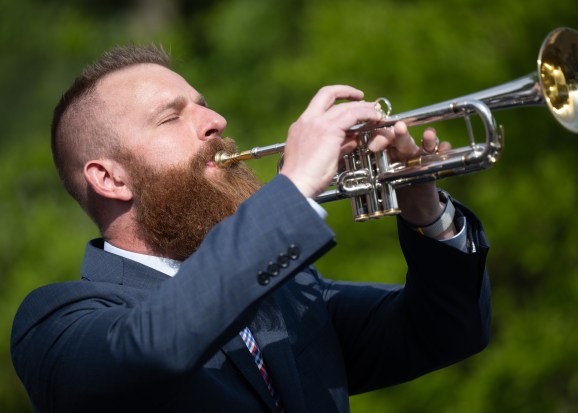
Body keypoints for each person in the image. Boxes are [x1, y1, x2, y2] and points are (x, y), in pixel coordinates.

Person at [11, 44, 491, 413]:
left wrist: (426, 213)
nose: (216, 121)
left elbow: (446, 332)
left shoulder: (288, 295)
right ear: (110, 178)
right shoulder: (55, 324)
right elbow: (156, 345)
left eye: (204, 105)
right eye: (171, 116)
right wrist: (294, 189)